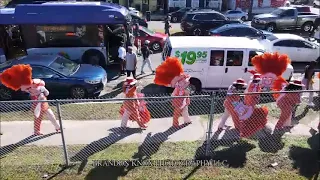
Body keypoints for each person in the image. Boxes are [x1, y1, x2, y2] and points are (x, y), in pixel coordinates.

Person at [0, 65, 61, 135]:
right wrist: (31, 91)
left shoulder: (39, 84)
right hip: (37, 103)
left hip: (43, 101)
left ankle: (57, 127)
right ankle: (37, 131)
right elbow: (23, 89)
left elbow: (47, 93)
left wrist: (42, 92)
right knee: (38, 116)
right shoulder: (27, 88)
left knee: (50, 114)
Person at [154, 57, 192, 127]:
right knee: (177, 113)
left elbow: (186, 84)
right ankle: (175, 124)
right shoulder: (177, 84)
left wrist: (183, 80)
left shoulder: (182, 79)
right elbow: (177, 87)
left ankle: (187, 120)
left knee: (185, 110)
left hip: (184, 99)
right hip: (179, 100)